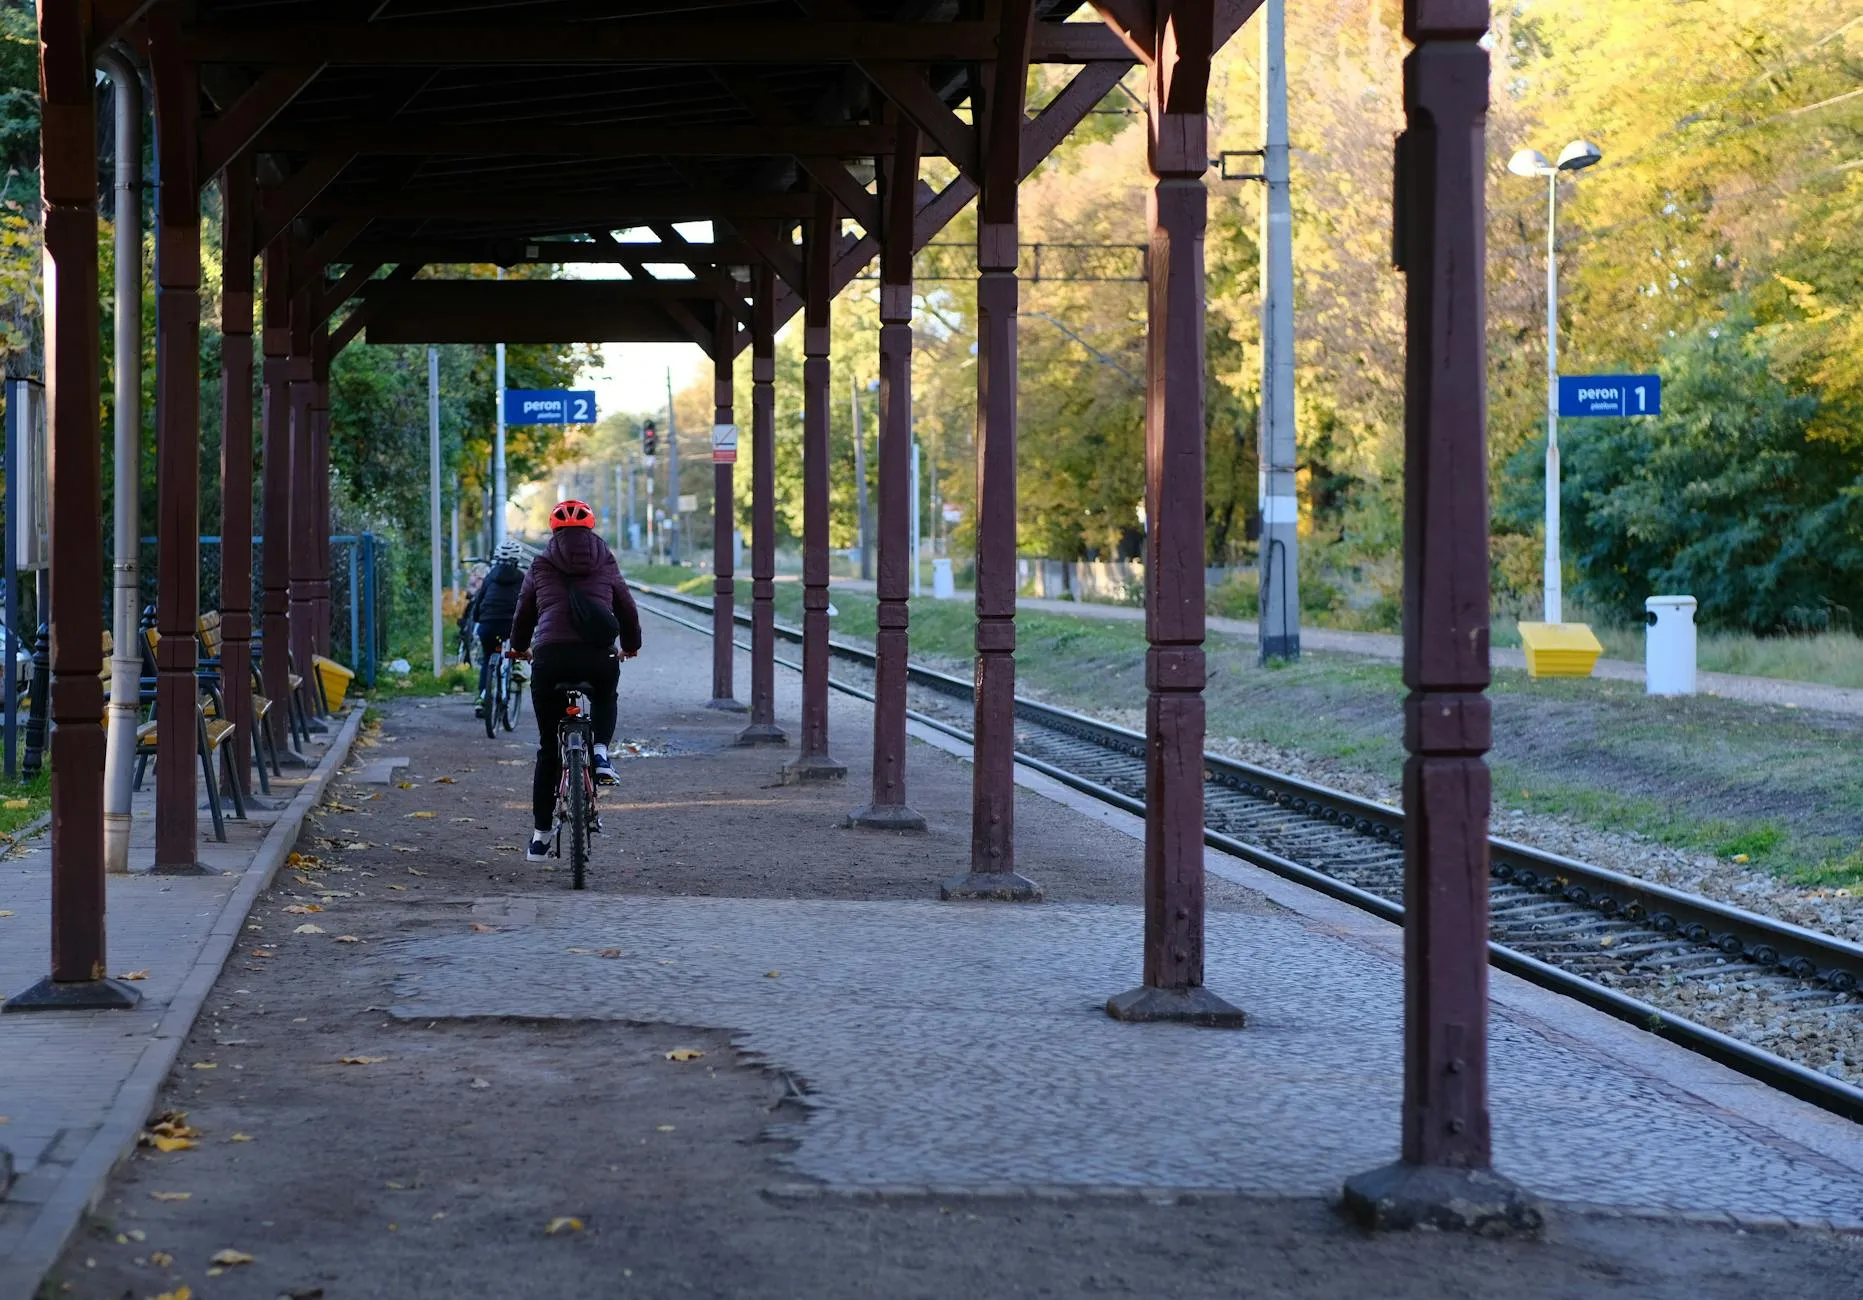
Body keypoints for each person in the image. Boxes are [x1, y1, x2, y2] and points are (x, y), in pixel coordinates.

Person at [508, 499, 642, 862]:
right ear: (590, 529)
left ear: (554, 531)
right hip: (598, 655)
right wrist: (630, 646)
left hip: (550, 657)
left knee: (548, 751)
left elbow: (524, 613)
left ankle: (540, 838)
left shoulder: (540, 563)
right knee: (604, 694)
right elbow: (627, 608)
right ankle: (599, 752)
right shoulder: (606, 559)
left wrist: (519, 648)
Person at [466, 540, 527, 717]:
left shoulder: (490, 576)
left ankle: (483, 697)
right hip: (511, 625)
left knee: (487, 659)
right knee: (516, 646)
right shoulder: (522, 578)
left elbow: (479, 601)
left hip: (487, 624)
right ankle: (516, 666)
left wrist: (478, 619)